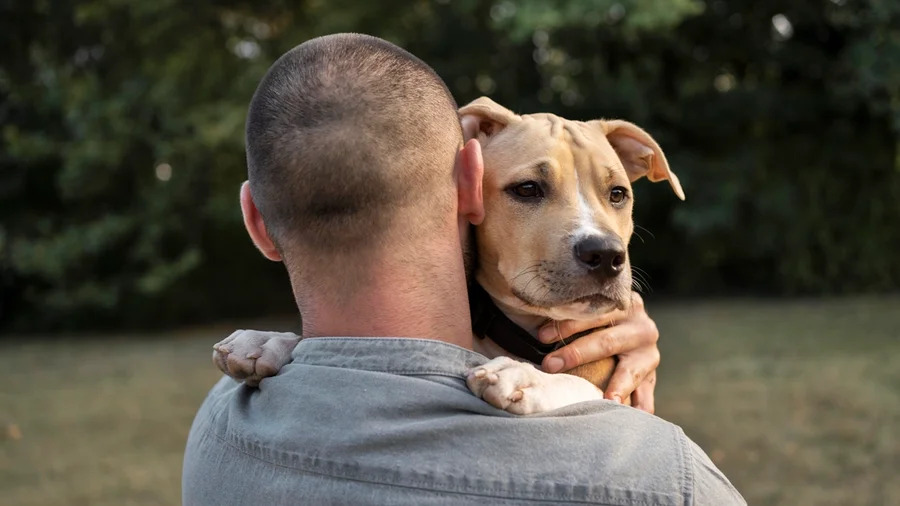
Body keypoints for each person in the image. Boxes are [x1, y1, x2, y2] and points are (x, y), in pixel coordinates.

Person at [182, 33, 745, 505]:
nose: (598, 237)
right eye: (528, 189)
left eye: (617, 194)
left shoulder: (217, 428)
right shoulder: (666, 480)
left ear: (257, 222)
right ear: (470, 183)